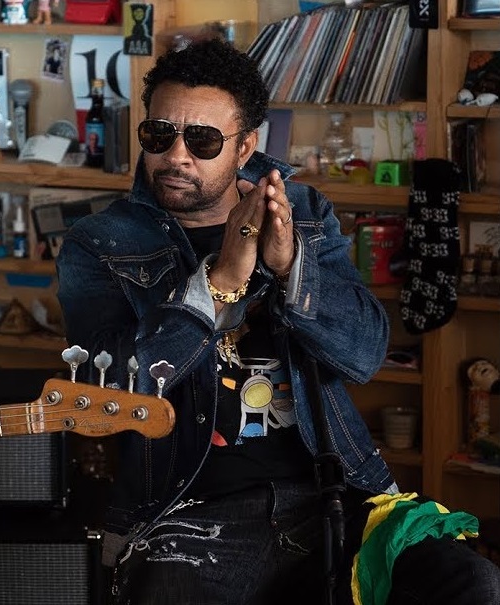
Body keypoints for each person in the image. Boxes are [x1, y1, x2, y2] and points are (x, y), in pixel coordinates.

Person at [56, 38, 500, 605]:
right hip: (189, 507)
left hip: (332, 490)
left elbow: (365, 353)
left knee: (471, 582)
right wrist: (219, 282)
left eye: (203, 139)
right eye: (158, 135)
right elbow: (110, 387)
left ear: (246, 147)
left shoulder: (305, 213)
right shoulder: (100, 244)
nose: (176, 156)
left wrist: (292, 267)